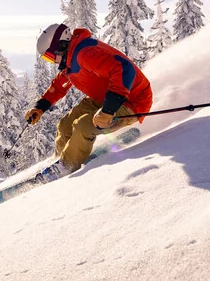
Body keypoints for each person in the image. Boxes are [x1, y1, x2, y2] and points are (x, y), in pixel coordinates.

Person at [25, 23, 153, 176]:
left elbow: (125, 69)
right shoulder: (71, 59)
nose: (53, 61)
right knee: (65, 124)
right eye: (48, 58)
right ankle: (60, 159)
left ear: (61, 45)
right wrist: (40, 107)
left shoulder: (85, 54)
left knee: (83, 125)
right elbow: (58, 86)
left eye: (51, 56)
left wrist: (108, 110)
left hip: (132, 101)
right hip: (104, 96)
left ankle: (66, 167)